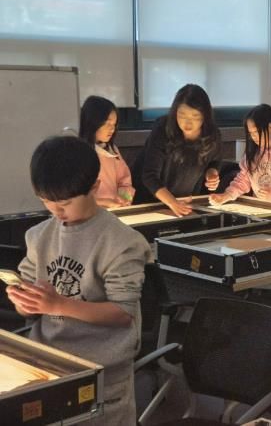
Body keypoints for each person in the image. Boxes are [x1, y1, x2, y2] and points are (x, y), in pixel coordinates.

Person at [6, 136, 151, 425]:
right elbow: (29, 305)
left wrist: (58, 305)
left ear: (94, 187)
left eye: (65, 203)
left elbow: (123, 313)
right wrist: (26, 302)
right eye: (46, 201)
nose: (56, 211)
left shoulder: (122, 242)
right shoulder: (38, 236)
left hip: (103, 372)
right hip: (49, 362)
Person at [132, 84, 222, 216]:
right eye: (182, 115)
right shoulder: (163, 129)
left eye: (195, 117)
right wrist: (172, 203)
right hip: (150, 202)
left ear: (205, 116)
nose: (188, 123)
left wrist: (212, 173)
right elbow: (149, 176)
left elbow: (215, 161)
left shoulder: (212, 134)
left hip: (185, 201)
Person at [209, 104, 271, 205]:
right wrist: (226, 195)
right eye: (251, 133)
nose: (254, 137)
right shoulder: (251, 155)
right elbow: (242, 182)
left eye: (256, 132)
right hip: (260, 208)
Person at [79, 95, 134, 208]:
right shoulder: (78, 153)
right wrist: (103, 202)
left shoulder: (112, 150)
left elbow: (124, 181)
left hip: (114, 210)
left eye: (114, 124)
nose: (112, 129)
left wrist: (124, 198)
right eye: (108, 124)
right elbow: (74, 197)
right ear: (93, 122)